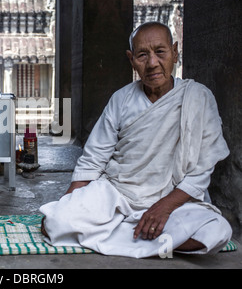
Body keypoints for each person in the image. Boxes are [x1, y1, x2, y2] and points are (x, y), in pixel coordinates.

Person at [40, 21, 232, 258]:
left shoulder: (198, 97)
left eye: (160, 52)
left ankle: (124, 233)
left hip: (173, 198)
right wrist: (66, 206)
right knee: (57, 221)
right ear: (131, 60)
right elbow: (93, 159)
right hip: (118, 193)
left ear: (175, 51)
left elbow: (201, 171)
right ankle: (145, 236)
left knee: (216, 231)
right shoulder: (121, 99)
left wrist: (163, 208)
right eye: (142, 55)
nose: (152, 63)